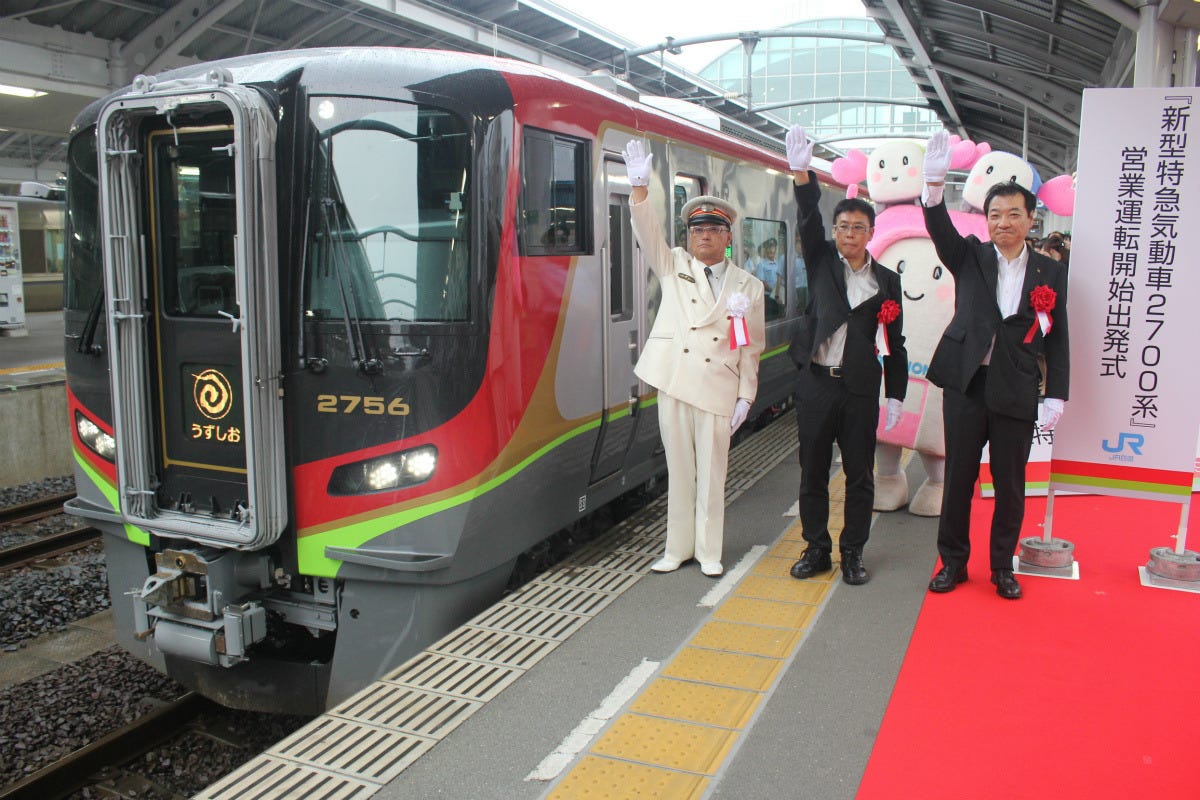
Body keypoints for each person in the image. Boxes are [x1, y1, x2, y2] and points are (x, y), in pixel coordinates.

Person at [919, 129, 1070, 600]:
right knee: (959, 479)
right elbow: (939, 228)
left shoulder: (1050, 271)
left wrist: (1057, 393)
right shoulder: (970, 255)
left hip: (1016, 387)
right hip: (966, 383)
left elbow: (1059, 334)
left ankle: (1003, 565)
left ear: (1031, 220)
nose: (1002, 222)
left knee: (1010, 484)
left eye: (1012, 214)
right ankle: (954, 563)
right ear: (985, 220)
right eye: (994, 214)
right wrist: (934, 186)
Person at [620, 139, 766, 578]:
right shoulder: (674, 264)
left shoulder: (748, 286)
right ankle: (676, 548)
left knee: (713, 475)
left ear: (727, 236)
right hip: (676, 380)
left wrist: (746, 395)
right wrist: (640, 189)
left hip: (718, 388)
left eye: (712, 230)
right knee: (679, 471)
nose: (703, 236)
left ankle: (708, 550)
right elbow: (647, 233)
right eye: (696, 230)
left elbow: (751, 347)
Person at [784, 125, 908, 586]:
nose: (849, 234)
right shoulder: (820, 260)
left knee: (860, 476)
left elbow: (896, 342)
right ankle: (816, 548)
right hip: (816, 383)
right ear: (834, 231)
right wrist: (801, 174)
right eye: (843, 227)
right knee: (812, 472)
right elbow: (806, 219)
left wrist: (894, 395)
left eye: (858, 227)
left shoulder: (888, 282)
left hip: (859, 388)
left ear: (872, 233)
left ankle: (852, 552)